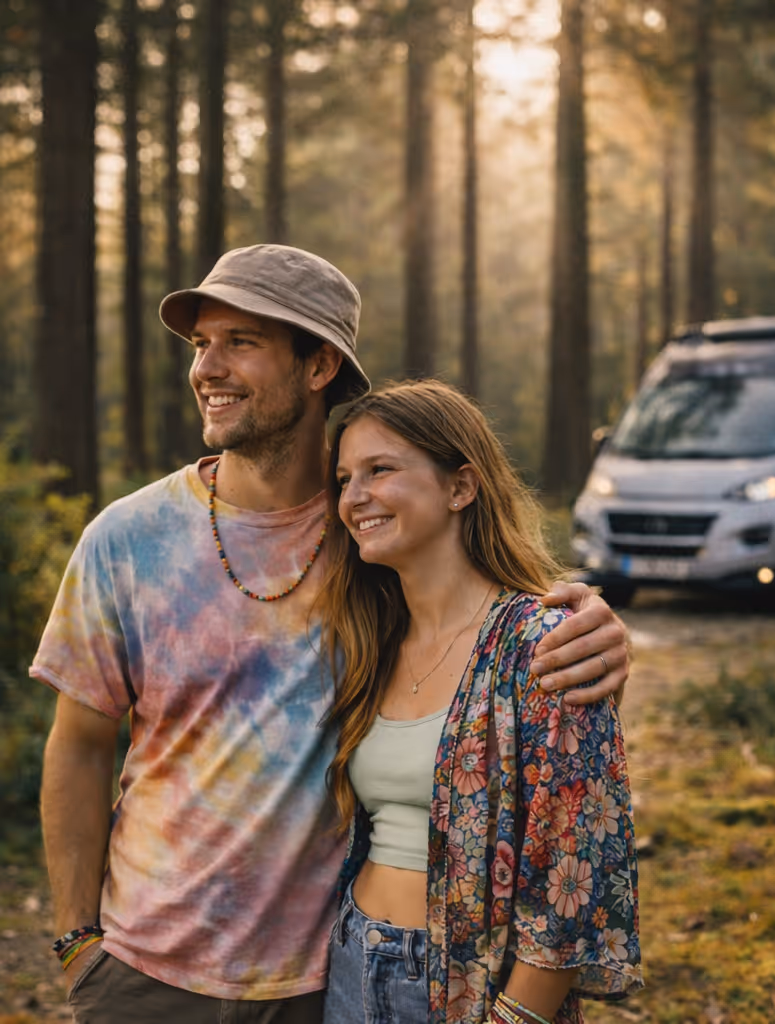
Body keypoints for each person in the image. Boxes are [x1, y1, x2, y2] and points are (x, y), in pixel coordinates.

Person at [31, 244, 632, 1024]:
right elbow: (78, 742)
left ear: (318, 365)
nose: (207, 367)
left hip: (326, 979)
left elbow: (488, 621)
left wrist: (594, 629)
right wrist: (78, 941)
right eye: (200, 344)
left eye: (240, 342)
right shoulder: (126, 538)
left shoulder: (379, 536)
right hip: (146, 975)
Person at [319, 380, 642, 1024]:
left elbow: (571, 877)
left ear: (460, 487)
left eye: (380, 470)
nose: (353, 498)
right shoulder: (371, 644)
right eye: (344, 478)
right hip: (352, 959)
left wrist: (515, 1016)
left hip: (469, 986)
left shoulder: (543, 643)